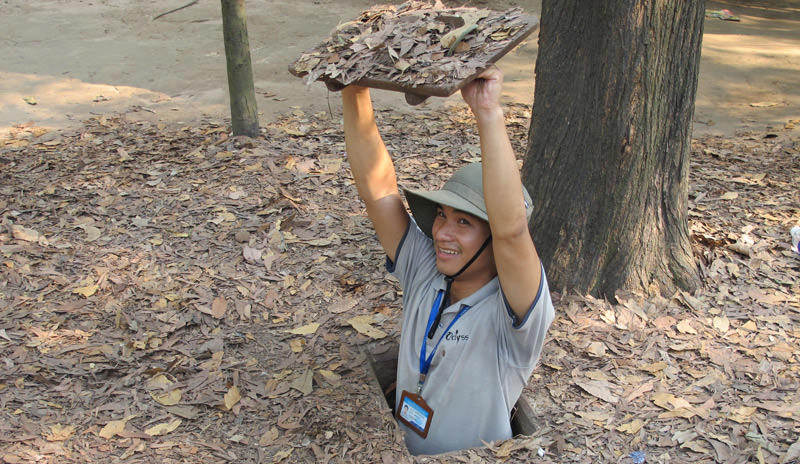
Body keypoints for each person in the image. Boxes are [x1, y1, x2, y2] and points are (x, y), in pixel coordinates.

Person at [341, 66, 554, 455]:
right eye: (441, 215)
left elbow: (512, 231)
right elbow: (379, 193)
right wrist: (354, 90)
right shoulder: (428, 271)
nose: (441, 232)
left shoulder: (514, 318)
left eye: (464, 222)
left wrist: (487, 112)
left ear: (493, 239)